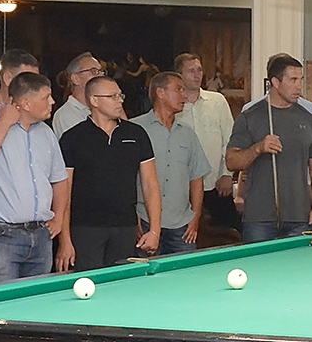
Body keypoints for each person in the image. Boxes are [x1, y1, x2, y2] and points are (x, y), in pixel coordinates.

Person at [0, 71, 68, 282]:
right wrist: (5, 122)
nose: (52, 102)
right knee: (1, 300)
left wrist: (58, 218)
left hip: (41, 235)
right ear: (25, 103)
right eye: (46, 97)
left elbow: (59, 178)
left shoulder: (46, 132)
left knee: (37, 300)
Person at [226, 54, 312, 241]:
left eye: (301, 80)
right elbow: (232, 161)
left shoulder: (309, 120)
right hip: (259, 218)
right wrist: (258, 148)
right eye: (293, 80)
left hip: (300, 217)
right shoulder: (250, 117)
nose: (299, 86)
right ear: (275, 82)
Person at [58, 75, 158, 270]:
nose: (120, 101)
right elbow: (64, 192)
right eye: (112, 96)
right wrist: (65, 240)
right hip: (85, 229)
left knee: (123, 283)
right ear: (94, 100)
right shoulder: (72, 138)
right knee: (89, 283)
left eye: (120, 95)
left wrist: (154, 230)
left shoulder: (136, 134)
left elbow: (150, 184)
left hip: (126, 227)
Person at [135, 71, 209, 256]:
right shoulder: (136, 129)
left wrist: (195, 218)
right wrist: (133, 217)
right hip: (145, 220)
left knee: (185, 271)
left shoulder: (188, 134)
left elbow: (197, 179)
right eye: (179, 90)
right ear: (160, 93)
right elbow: (125, 178)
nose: (185, 96)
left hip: (182, 225)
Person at [177, 52, 236, 235]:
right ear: (179, 75)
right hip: (183, 187)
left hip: (216, 183)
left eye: (200, 70)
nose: (197, 75)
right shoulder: (174, 105)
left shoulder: (217, 101)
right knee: (186, 235)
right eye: (191, 71)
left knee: (229, 234)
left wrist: (227, 174)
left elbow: (230, 139)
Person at [51, 51, 101, 136]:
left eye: (101, 71)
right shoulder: (65, 115)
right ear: (76, 79)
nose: (100, 76)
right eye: (94, 71)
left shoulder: (102, 108)